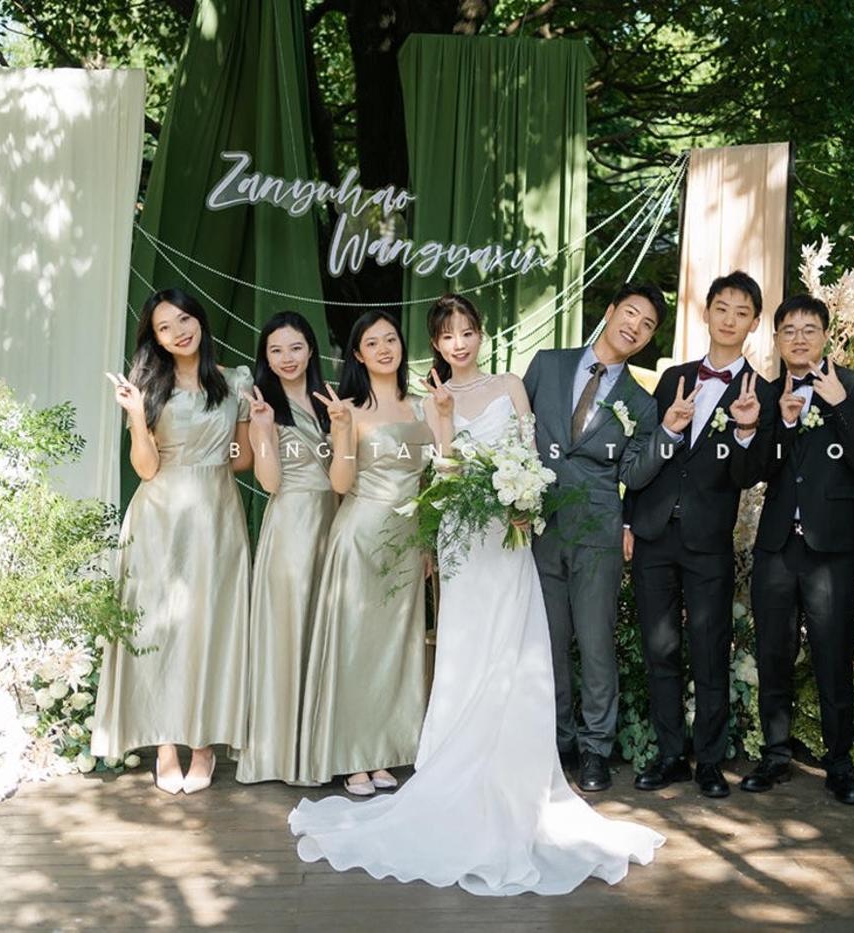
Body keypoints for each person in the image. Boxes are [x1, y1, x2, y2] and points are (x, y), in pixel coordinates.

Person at [288, 294, 663, 896]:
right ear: (436, 344)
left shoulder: (512, 384)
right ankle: (452, 764)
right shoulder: (430, 400)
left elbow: (531, 454)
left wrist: (524, 499)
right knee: (465, 651)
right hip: (465, 537)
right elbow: (445, 469)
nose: (458, 343)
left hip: (511, 535)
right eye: (447, 335)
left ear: (481, 334)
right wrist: (441, 419)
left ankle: (518, 772)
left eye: (467, 331)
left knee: (516, 647)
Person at [91, 287, 253, 795]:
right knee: (159, 626)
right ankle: (164, 743)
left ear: (199, 319)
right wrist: (138, 417)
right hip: (158, 518)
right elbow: (145, 468)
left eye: (184, 319)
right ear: (155, 339)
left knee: (209, 626)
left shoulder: (236, 381)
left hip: (217, 516)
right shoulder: (146, 387)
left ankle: (202, 743)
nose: (178, 331)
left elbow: (242, 460)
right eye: (165, 327)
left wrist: (242, 435)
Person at [523, 283, 681, 793]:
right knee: (548, 643)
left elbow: (633, 474)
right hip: (539, 526)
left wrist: (669, 433)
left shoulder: (641, 401)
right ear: (611, 312)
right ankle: (557, 740)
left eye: (647, 324)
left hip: (598, 533)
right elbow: (516, 433)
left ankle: (595, 749)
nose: (635, 326)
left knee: (595, 646)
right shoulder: (547, 365)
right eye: (630, 313)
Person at [624, 271, 775, 798]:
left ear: (753, 324)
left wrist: (746, 428)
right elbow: (645, 451)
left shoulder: (761, 391)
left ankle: (709, 761)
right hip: (653, 533)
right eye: (722, 308)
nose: (729, 319)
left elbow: (750, 475)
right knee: (660, 649)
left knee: (710, 650)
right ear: (706, 313)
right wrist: (629, 519)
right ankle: (670, 755)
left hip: (708, 540)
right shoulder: (674, 377)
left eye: (741, 313)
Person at [727, 294, 854, 804]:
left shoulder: (853, 385)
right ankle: (774, 755)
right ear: (776, 339)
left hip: (830, 549)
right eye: (788, 330)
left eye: (809, 329)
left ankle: (839, 764)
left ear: (825, 336)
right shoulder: (766, 393)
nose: (798, 338)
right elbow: (751, 474)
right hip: (776, 547)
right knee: (774, 653)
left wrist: (838, 404)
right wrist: (780, 425)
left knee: (833, 656)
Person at [294, 309, 434, 794]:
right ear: (357, 354)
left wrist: (428, 542)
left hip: (408, 542)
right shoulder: (348, 410)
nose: (383, 349)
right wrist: (341, 432)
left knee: (396, 649)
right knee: (355, 648)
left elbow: (436, 481)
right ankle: (353, 756)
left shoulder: (423, 408)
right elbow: (339, 483)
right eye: (372, 343)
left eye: (390, 339)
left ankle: (385, 752)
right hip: (359, 536)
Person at [235, 312, 338, 785]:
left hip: (334, 523)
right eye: (275, 351)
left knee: (324, 635)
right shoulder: (264, 404)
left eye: (295, 347)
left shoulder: (330, 400)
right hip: (292, 526)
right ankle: (280, 754)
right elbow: (270, 482)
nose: (287, 358)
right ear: (266, 357)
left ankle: (321, 749)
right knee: (288, 631)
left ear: (311, 349)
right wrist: (262, 432)